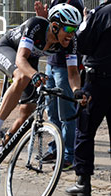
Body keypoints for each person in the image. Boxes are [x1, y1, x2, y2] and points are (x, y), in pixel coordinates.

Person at [0, 3, 85, 187]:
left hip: (29, 59)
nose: (72, 33)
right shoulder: (36, 25)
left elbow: (73, 74)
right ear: (55, 26)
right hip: (8, 50)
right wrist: (34, 74)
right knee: (22, 76)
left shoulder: (71, 42)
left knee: (27, 112)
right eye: (69, 28)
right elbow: (20, 59)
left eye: (75, 29)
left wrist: (78, 91)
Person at [65, 0, 111, 196]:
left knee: (85, 130)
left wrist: (85, 21)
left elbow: (82, 43)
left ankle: (83, 182)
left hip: (97, 81)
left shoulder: (102, 13)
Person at [34, 0, 84, 171]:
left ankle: (69, 155)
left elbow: (68, 31)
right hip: (51, 63)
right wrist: (42, 19)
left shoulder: (73, 3)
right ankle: (55, 149)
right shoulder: (55, 2)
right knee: (52, 112)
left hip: (65, 67)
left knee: (66, 115)